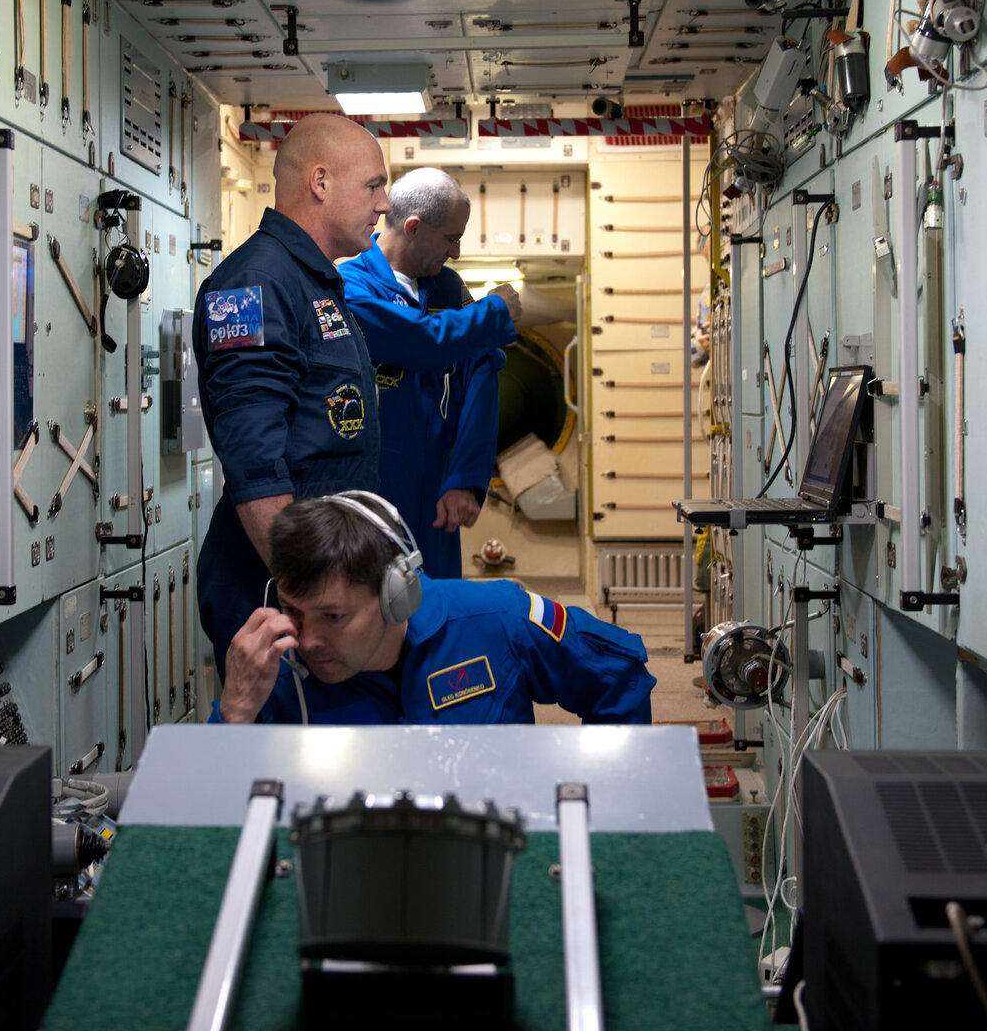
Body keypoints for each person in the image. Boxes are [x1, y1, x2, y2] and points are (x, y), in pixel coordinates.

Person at [194, 114, 392, 673]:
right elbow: (255, 463)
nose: (384, 205)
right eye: (373, 185)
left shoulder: (313, 282)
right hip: (278, 591)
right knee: (280, 756)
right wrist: (310, 601)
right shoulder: (254, 284)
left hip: (319, 580)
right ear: (321, 182)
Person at [215, 493, 656, 725]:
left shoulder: (499, 619)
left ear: (396, 595)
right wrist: (234, 712)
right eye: (294, 611)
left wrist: (598, 810)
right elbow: (204, 820)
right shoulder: (275, 672)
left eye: (333, 616)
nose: (306, 641)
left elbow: (620, 679)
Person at [340, 168, 520, 578]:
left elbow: (482, 370)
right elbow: (421, 343)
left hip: (438, 487)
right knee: (375, 609)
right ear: (414, 228)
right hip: (376, 490)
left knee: (438, 612)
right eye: (451, 238)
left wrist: (467, 477)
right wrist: (492, 312)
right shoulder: (352, 288)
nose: (455, 252)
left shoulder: (449, 289)